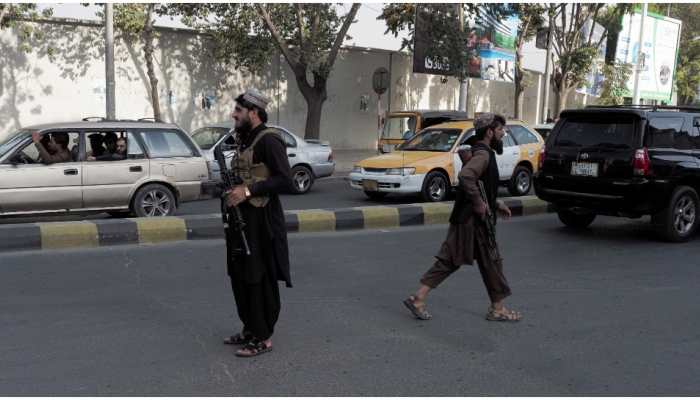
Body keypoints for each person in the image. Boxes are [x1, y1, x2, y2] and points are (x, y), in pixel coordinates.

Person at [403, 113, 522, 323]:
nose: (504, 134)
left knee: (460, 260)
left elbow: (482, 186)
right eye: (501, 130)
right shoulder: (483, 155)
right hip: (473, 222)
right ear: (489, 132)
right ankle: (497, 309)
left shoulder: (482, 152)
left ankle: (419, 298)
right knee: (489, 261)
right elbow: (467, 176)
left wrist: (495, 203)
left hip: (468, 219)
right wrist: (479, 204)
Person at [222, 89, 292, 357]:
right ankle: (250, 328)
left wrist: (248, 191)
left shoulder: (269, 140)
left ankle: (263, 336)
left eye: (238, 111)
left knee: (257, 277)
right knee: (239, 274)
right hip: (240, 219)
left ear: (253, 112)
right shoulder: (244, 138)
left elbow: (285, 180)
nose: (233, 114)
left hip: (261, 222)